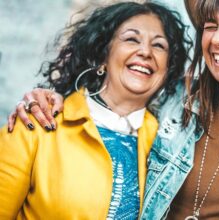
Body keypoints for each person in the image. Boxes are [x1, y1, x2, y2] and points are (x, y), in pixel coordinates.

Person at [7, 0, 219, 219]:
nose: (218, 39)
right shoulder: (171, 103)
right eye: (210, 26)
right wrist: (49, 98)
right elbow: (114, 97)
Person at [0, 2, 190, 219]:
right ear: (102, 56)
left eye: (159, 45)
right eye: (131, 39)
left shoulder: (169, 147)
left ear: (168, 69)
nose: (145, 51)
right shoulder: (36, 124)